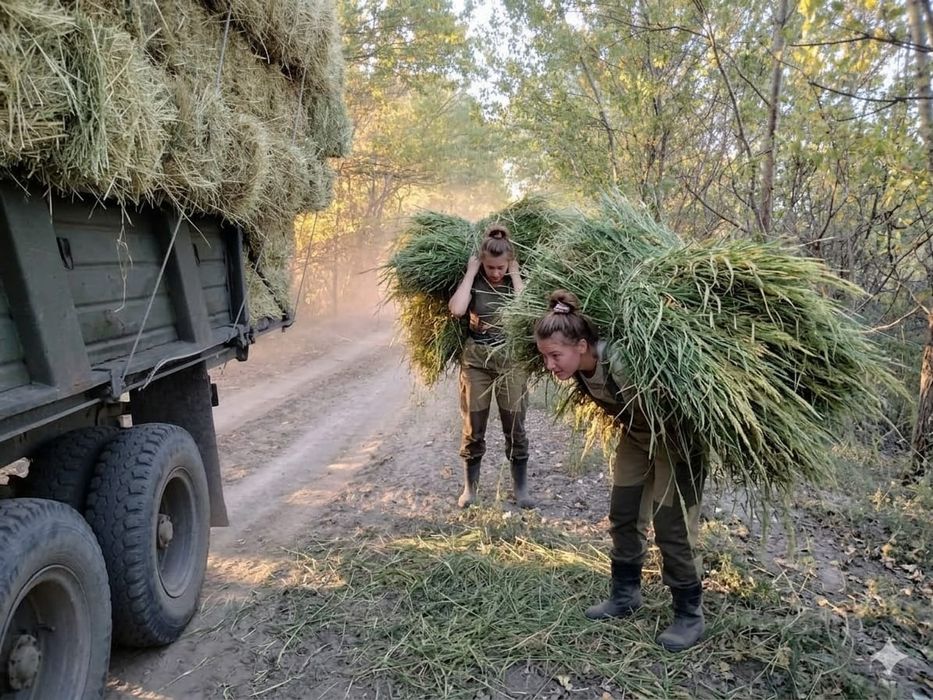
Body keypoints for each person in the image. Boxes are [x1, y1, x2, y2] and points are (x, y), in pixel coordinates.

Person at [534, 290, 706, 652]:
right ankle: (624, 594)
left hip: (677, 438)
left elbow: (679, 402)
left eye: (555, 355)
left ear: (581, 345)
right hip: (638, 435)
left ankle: (689, 613)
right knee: (624, 513)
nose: (550, 365)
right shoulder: (582, 369)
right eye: (545, 357)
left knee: (671, 527)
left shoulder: (622, 363)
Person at [448, 225, 533, 509]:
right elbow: (458, 310)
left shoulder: (514, 282)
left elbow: (528, 311)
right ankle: (470, 489)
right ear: (482, 262)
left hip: (511, 360)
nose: (495, 272)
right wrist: (471, 273)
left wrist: (515, 274)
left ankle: (520, 488)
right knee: (474, 427)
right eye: (489, 267)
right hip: (477, 360)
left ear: (508, 263)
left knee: (516, 426)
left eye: (500, 267)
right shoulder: (476, 280)